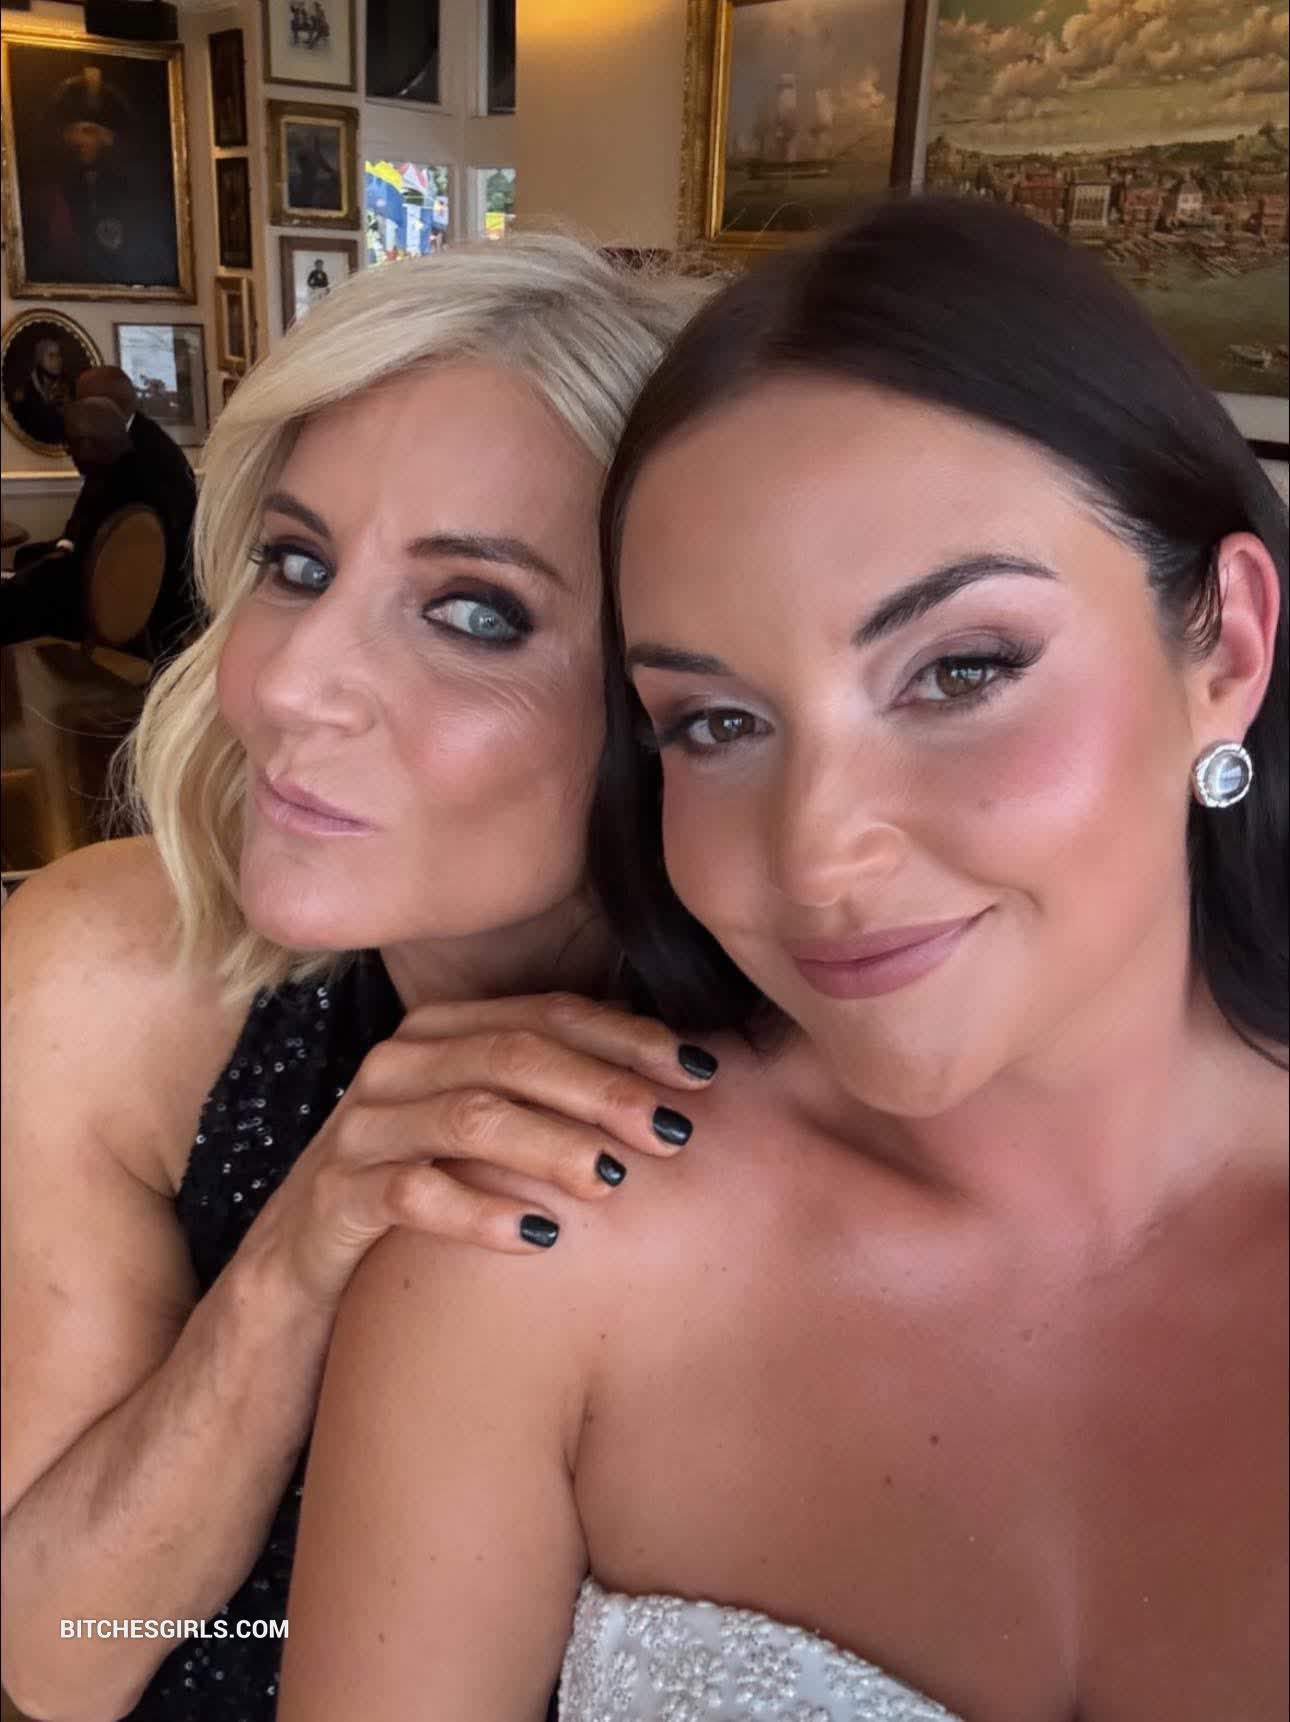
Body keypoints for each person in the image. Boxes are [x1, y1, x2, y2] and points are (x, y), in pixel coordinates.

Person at [281, 198, 1288, 1719]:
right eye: (717, 724)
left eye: (958, 670)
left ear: (1225, 649)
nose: (818, 856)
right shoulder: (531, 1261)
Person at [0, 236, 715, 1722]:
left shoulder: (808, 1086)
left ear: (674, 706)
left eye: (474, 611)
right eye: (296, 564)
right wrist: (295, 1252)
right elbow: (61, 1656)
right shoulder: (117, 978)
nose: (289, 681)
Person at [0, 387, 197, 657]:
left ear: (88, 444)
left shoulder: (119, 488)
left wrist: (17, 585)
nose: (68, 452)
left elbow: (76, 571)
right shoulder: (118, 469)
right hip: (102, 588)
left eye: (70, 445)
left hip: (99, 604)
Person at [7, 335, 71, 448]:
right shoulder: (25, 390)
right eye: (51, 356)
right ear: (40, 360)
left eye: (59, 355)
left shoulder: (68, 384)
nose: (57, 360)